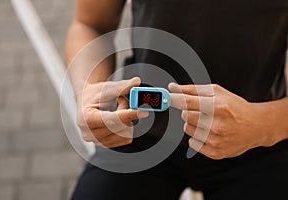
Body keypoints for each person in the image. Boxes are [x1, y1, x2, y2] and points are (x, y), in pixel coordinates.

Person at [65, 0, 288, 199]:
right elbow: (89, 24)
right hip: (138, 131)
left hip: (257, 140)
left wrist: (265, 126)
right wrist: (88, 93)